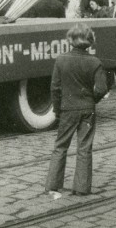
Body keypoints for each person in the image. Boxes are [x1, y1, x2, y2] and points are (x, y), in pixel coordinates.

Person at [45, 23, 108, 197]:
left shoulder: (61, 60)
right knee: (84, 147)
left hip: (67, 109)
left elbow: (55, 88)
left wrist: (58, 109)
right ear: (90, 41)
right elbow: (102, 89)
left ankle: (53, 185)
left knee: (60, 146)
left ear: (70, 40)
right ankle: (81, 188)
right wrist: (91, 100)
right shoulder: (95, 62)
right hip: (87, 109)